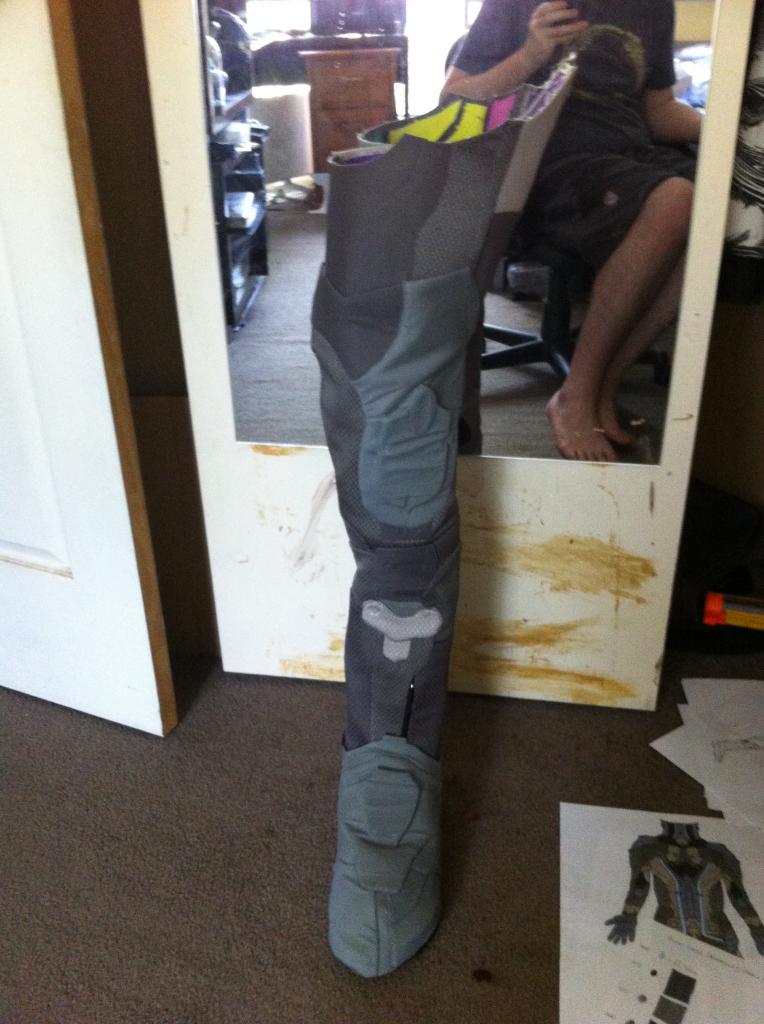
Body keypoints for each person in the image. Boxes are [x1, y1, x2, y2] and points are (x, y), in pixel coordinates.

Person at [443, 0, 703, 461]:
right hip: (544, 166)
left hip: (630, 159)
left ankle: (603, 383)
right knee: (677, 200)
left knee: (717, 210)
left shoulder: (654, 6)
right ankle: (577, 394)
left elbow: (659, 110)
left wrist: (731, 127)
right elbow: (454, 100)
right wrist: (531, 52)